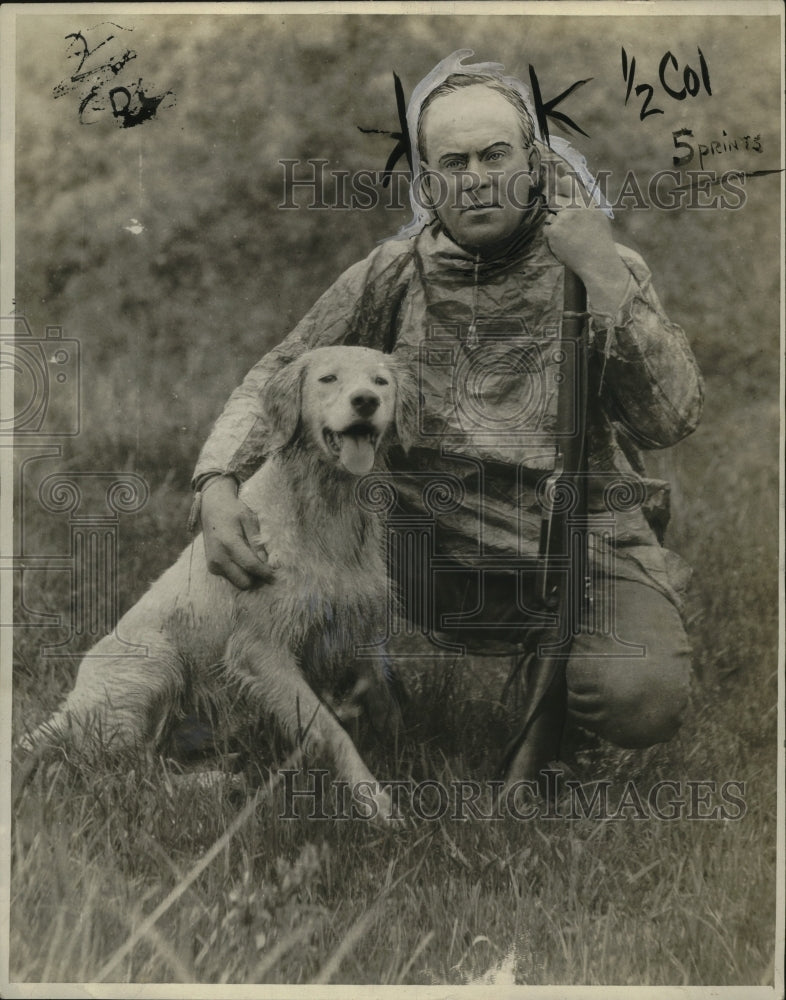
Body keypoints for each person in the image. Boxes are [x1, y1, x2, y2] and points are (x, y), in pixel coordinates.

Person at [191, 52, 703, 757]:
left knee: (637, 700)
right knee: (287, 534)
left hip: (577, 533)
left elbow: (669, 418)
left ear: (534, 161)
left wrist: (606, 276)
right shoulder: (390, 273)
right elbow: (280, 373)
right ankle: (332, 703)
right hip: (423, 537)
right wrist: (216, 484)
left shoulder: (602, 267)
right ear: (428, 182)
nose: (477, 179)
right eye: (453, 163)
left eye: (496, 155)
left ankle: (563, 688)